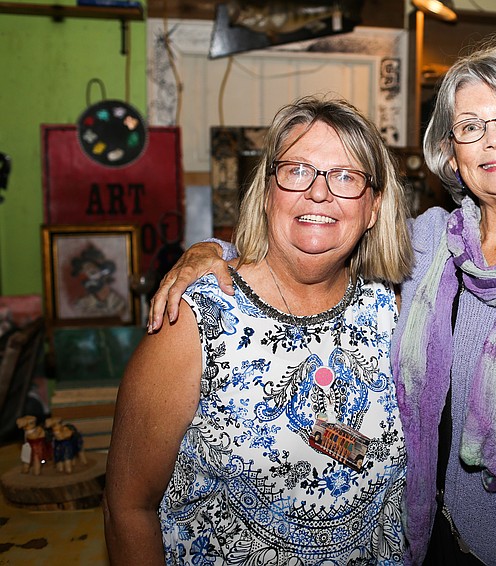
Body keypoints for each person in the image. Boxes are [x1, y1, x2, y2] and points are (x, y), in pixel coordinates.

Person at [149, 43, 496, 565]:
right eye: (471, 126)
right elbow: (319, 237)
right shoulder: (430, 246)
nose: (494, 140)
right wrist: (210, 253)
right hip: (431, 545)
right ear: (451, 153)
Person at [104, 96, 413, 565]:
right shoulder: (196, 318)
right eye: (297, 170)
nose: (319, 192)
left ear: (373, 208)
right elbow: (128, 508)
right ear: (268, 192)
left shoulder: (396, 309)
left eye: (346, 177)